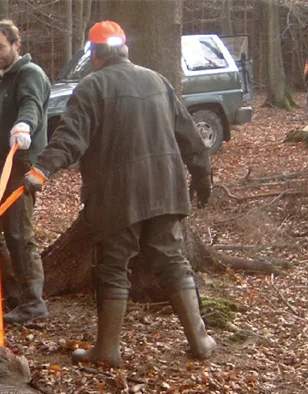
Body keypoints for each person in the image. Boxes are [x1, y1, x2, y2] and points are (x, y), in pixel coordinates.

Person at [23, 21, 216, 367]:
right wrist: (203, 178)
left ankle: (108, 350)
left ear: (95, 54)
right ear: (124, 49)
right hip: (166, 191)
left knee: (113, 266)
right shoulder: (158, 81)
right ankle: (199, 339)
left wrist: (41, 171)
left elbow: (70, 139)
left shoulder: (91, 86)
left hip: (118, 197)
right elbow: (191, 136)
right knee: (172, 260)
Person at [0, 19, 51, 324]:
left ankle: (33, 301)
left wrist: (24, 126)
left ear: (16, 45)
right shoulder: (4, 78)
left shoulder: (29, 74)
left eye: (1, 46)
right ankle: (12, 296)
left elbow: (31, 105)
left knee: (19, 233)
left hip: (20, 167)